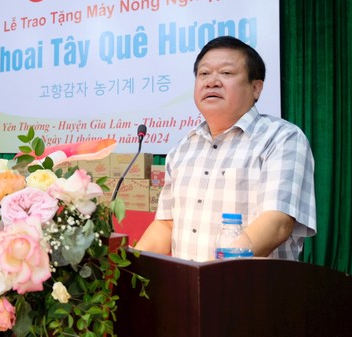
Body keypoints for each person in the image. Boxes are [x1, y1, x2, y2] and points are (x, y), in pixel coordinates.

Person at [135, 36, 316, 261]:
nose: (211, 81)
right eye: (204, 74)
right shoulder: (183, 148)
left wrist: (212, 275)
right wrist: (127, 268)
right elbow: (165, 225)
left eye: (226, 73)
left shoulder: (281, 138)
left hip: (252, 291)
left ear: (256, 88)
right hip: (189, 289)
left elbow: (277, 222)